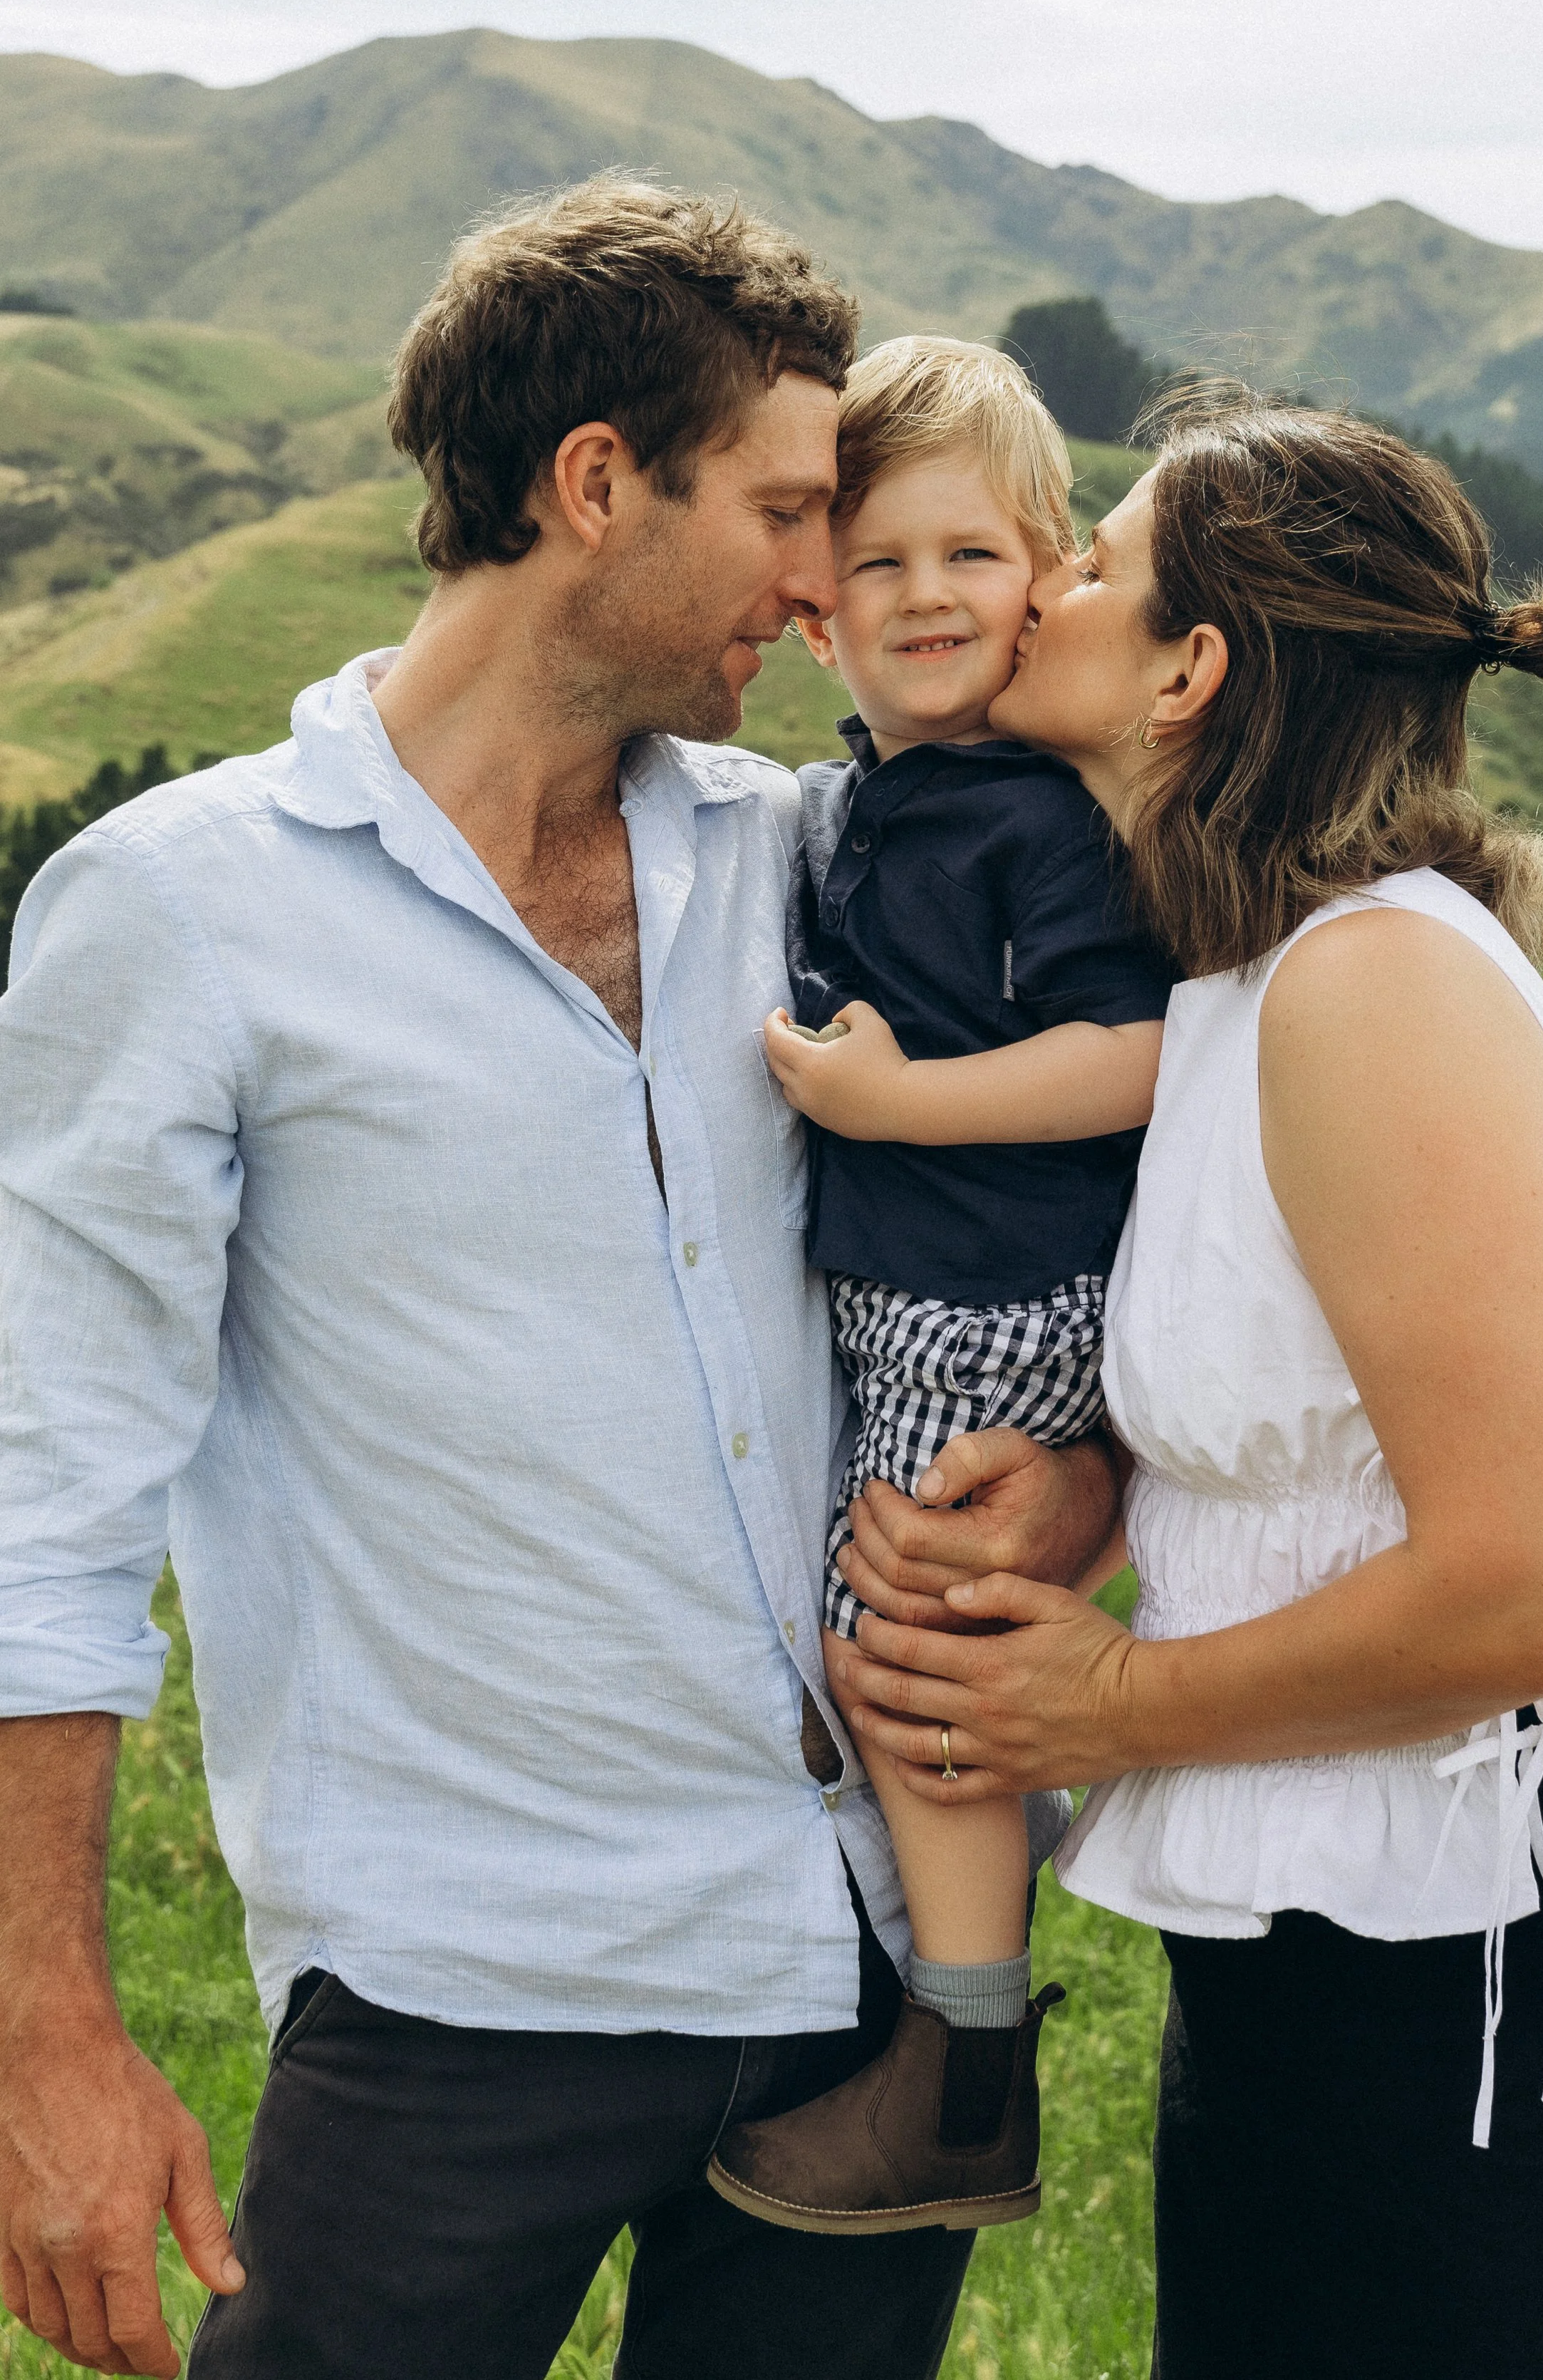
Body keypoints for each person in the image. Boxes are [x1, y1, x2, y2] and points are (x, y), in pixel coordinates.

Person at [0, 181, 1121, 2380]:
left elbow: (1043, 1230)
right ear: (596, 484)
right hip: (465, 1993)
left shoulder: (803, 853)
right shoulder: (184, 912)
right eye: (792, 509)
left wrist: (1078, 1487)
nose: (825, 581)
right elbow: (39, 1507)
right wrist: (46, 2036)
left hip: (860, 1981)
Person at [827, 393, 1543, 2378]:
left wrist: (1104, 1698)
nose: (1037, 598)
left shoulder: (1371, 985)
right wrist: (1087, 1484)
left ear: (1188, 670)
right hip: (1328, 1962)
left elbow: (1536, 1583)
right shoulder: (1241, 983)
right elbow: (1313, 1428)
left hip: (1525, 1984)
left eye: (1086, 563)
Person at [703, 338, 1169, 2235]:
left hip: (992, 1302)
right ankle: (962, 1944)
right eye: (877, 563)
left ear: (1051, 572)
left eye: (969, 557)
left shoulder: (1031, 816)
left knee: (896, 1663)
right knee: (889, 1646)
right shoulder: (882, 795)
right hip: (930, 1299)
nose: (922, 598)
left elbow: (1133, 1050)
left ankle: (961, 2065)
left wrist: (902, 1102)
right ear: (818, 612)